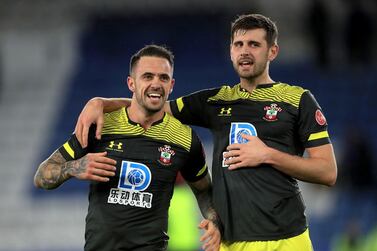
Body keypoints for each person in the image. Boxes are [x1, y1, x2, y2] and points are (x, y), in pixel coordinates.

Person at [75, 14, 337, 251]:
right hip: (230, 242)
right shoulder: (216, 100)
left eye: (254, 45)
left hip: (286, 238)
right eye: (239, 45)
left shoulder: (297, 100)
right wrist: (99, 102)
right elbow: (151, 104)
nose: (245, 52)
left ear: (273, 51)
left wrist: (268, 155)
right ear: (231, 52)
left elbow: (327, 172)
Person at [34, 45, 221, 251]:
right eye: (147, 76)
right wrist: (75, 167)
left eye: (163, 78)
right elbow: (42, 176)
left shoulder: (184, 138)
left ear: (172, 84)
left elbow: (204, 191)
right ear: (131, 83)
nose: (156, 84)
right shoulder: (101, 126)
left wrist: (214, 220)